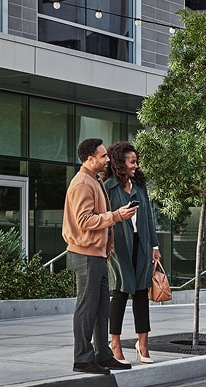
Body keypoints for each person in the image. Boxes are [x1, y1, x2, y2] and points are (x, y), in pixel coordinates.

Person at [63, 138, 138, 374]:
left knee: (101, 307)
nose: (107, 159)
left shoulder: (93, 180)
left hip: (97, 254)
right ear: (90, 158)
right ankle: (83, 359)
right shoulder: (82, 184)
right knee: (86, 307)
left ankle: (102, 355)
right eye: (103, 156)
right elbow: (84, 221)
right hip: (86, 254)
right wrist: (116, 216)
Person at [104, 141, 161, 365]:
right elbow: (106, 218)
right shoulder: (108, 187)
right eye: (132, 162)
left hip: (142, 245)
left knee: (141, 294)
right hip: (119, 247)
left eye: (136, 162)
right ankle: (115, 343)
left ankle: (142, 344)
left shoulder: (139, 187)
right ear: (120, 163)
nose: (136, 166)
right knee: (119, 293)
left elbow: (149, 218)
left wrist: (154, 245)